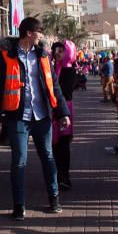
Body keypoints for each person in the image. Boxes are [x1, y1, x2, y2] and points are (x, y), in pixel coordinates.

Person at [0, 17, 71, 220]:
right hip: (18, 117)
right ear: (29, 33)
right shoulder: (7, 56)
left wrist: (63, 113)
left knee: (48, 157)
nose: (42, 35)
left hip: (42, 117)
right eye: (39, 31)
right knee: (19, 162)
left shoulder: (43, 56)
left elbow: (55, 86)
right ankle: (19, 206)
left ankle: (54, 198)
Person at [51, 40, 78, 191]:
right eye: (56, 50)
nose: (57, 53)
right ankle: (56, 174)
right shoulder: (54, 67)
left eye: (61, 50)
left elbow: (64, 92)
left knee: (63, 145)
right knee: (54, 145)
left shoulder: (69, 70)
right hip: (53, 111)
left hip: (64, 110)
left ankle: (64, 176)